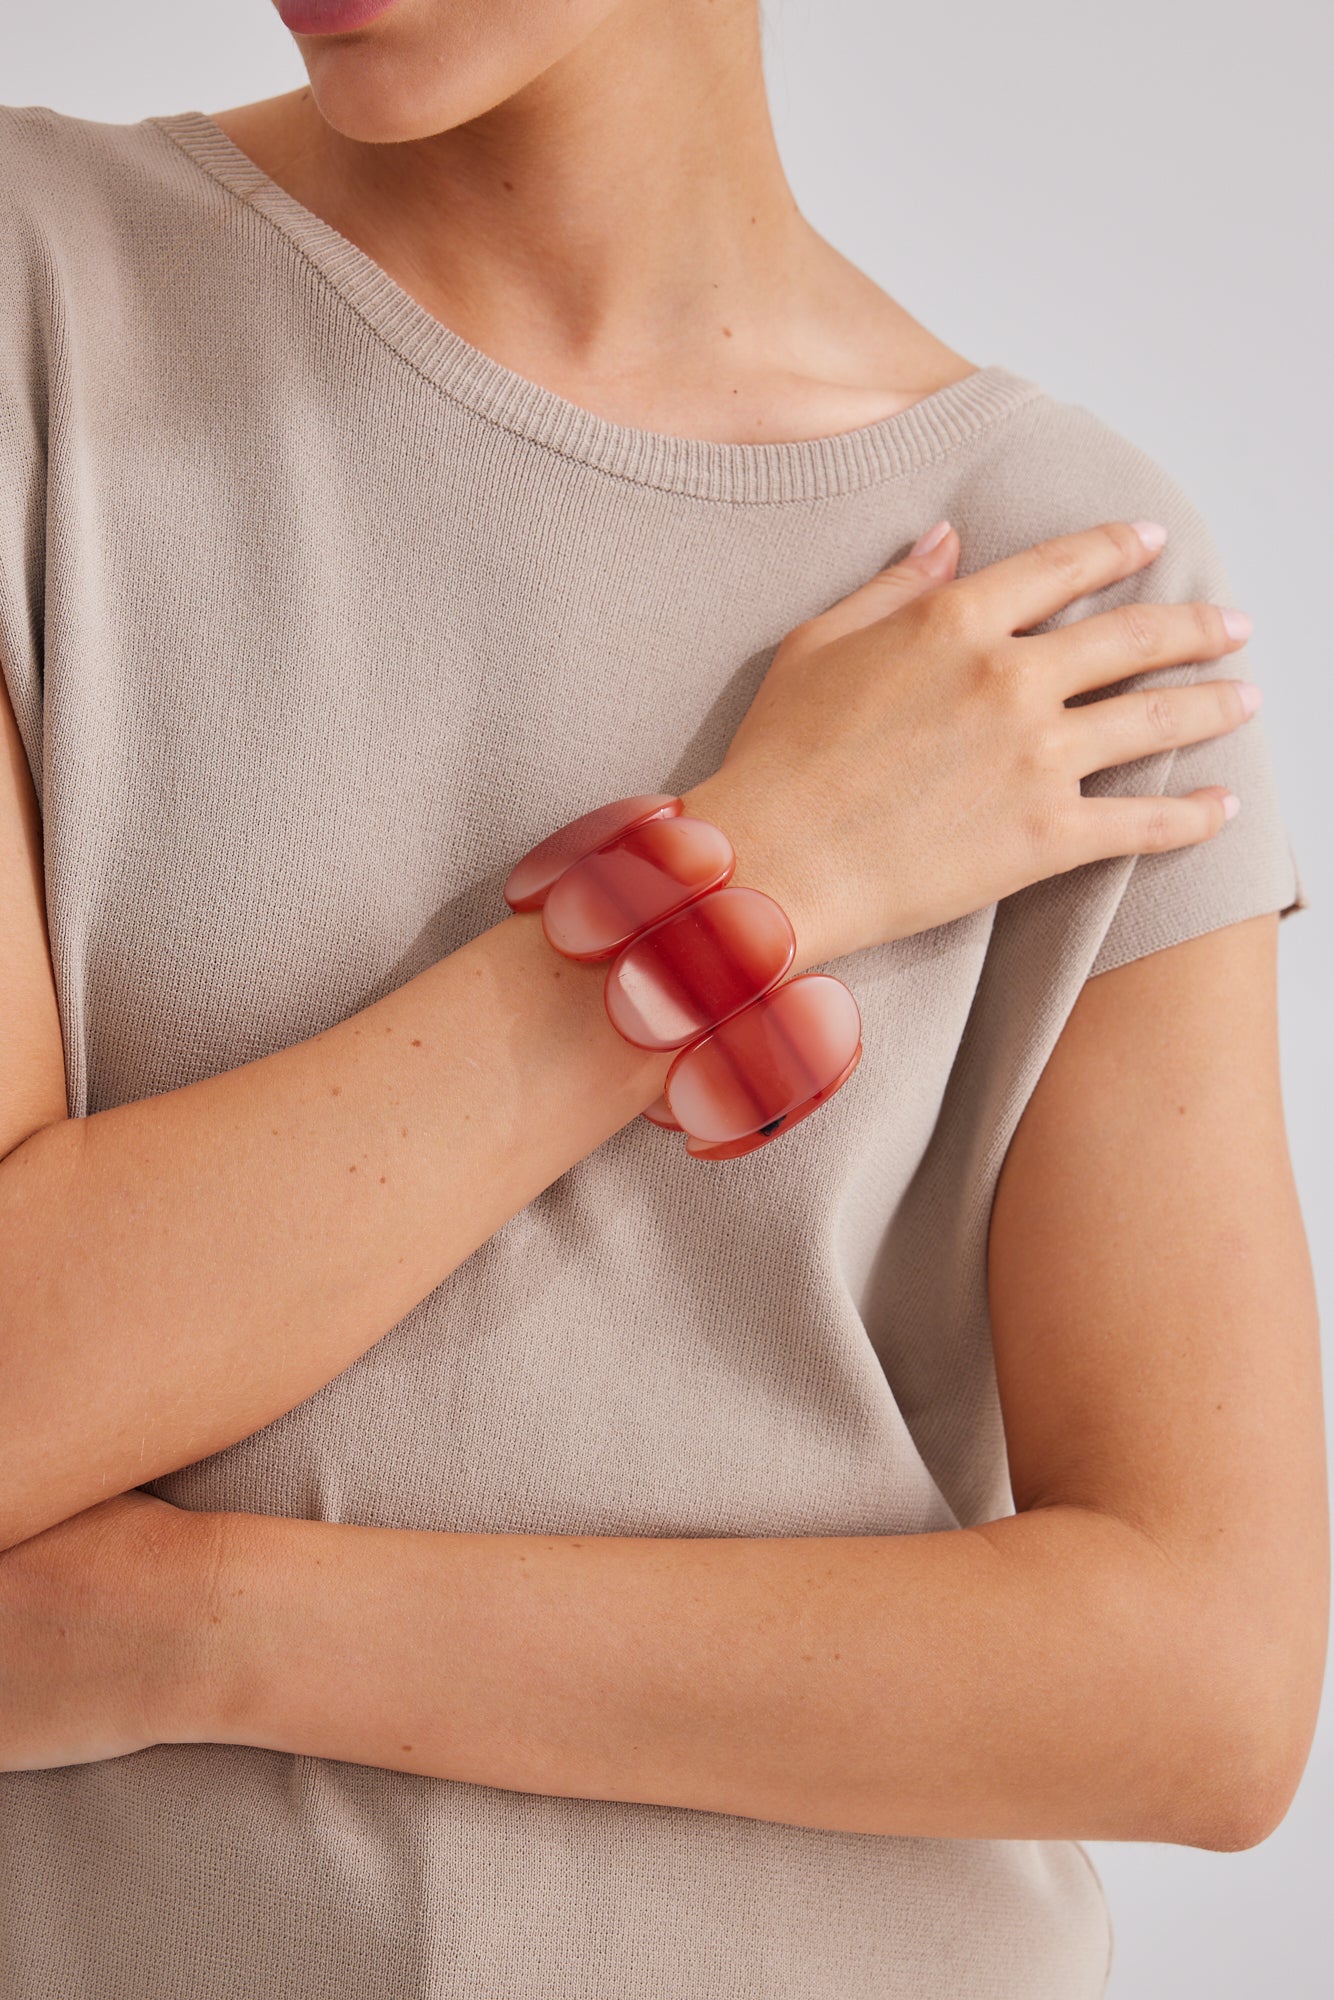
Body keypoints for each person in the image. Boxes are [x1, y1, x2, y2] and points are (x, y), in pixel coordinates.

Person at [0, 2, 1325, 1996]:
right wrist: (748, 879)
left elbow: (1202, 1689)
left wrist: (216, 1627)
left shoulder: (1052, 599)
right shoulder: (38, 301)